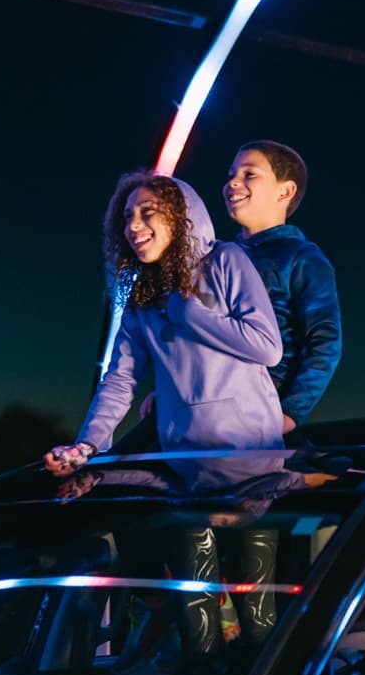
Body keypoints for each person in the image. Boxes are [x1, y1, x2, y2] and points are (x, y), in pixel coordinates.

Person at [45, 172, 283, 475]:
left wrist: (192, 314)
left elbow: (268, 348)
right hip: (182, 462)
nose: (132, 226)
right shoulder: (143, 295)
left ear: (180, 216)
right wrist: (86, 446)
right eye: (128, 216)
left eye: (148, 212)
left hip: (250, 461)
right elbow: (121, 379)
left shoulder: (225, 259)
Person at [222, 140, 341, 435]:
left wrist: (289, 413)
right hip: (201, 401)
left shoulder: (302, 259)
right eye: (231, 175)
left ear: (285, 191)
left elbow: (324, 343)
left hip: (256, 406)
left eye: (249, 174)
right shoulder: (218, 255)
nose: (233, 183)